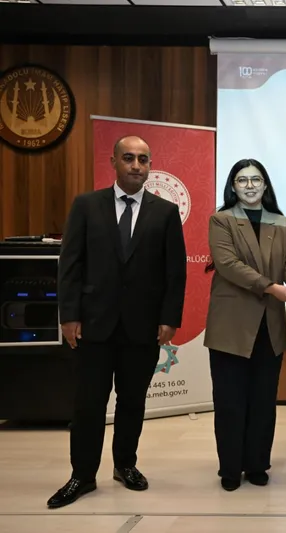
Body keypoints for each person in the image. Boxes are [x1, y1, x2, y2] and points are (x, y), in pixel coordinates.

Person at [48, 136, 187, 509]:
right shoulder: (86, 206)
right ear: (113, 162)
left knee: (132, 402)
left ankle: (125, 465)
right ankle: (82, 475)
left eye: (143, 159)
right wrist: (69, 315)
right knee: (88, 404)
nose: (136, 165)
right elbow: (70, 264)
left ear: (150, 164)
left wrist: (169, 319)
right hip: (92, 325)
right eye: (128, 158)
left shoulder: (165, 212)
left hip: (143, 327)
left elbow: (175, 273)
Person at [203, 159, 286, 491]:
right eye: (242, 180)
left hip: (269, 326)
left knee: (263, 401)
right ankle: (230, 469)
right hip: (231, 325)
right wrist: (272, 287)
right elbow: (227, 264)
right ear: (233, 186)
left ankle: (257, 464)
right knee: (230, 401)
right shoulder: (221, 219)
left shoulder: (281, 222)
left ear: (265, 185)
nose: (249, 186)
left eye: (256, 180)